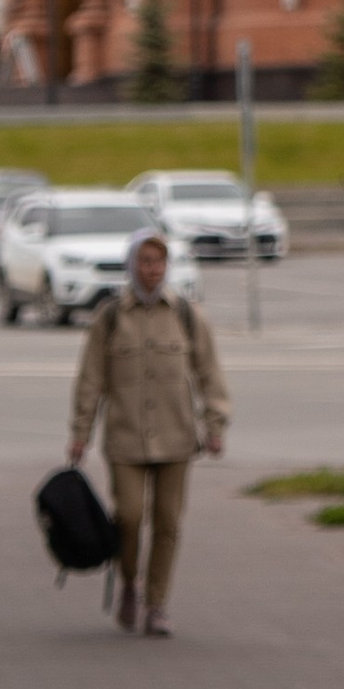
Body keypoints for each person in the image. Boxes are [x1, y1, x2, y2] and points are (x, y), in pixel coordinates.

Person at [67, 231, 229, 638]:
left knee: (168, 522)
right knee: (129, 516)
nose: (152, 270)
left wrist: (215, 424)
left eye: (159, 262)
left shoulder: (187, 316)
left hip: (176, 439)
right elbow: (91, 380)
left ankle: (157, 603)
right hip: (125, 439)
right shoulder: (111, 318)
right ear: (131, 265)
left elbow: (210, 374)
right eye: (145, 261)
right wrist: (80, 433)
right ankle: (129, 584)